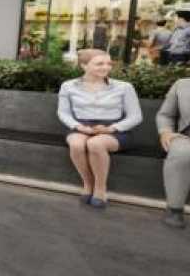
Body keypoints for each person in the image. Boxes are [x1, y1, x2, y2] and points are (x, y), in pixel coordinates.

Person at [58, 49, 142, 208]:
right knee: (76, 144)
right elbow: (63, 113)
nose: (106, 67)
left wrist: (112, 128)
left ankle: (100, 188)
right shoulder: (68, 86)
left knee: (95, 144)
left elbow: (136, 116)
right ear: (84, 65)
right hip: (81, 126)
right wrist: (78, 126)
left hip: (115, 130)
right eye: (99, 64)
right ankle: (88, 183)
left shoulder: (124, 87)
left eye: (108, 63)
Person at [154, 78, 190, 228]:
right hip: (187, 137)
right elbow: (165, 115)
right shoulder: (182, 84)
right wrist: (165, 132)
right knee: (181, 153)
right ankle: (174, 209)